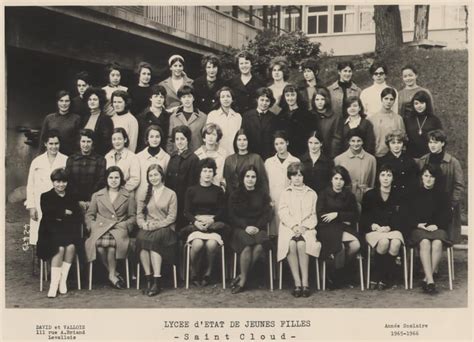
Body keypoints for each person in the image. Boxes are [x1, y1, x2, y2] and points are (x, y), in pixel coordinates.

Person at [85, 166, 136, 289]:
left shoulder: (128, 195)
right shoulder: (97, 195)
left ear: (121, 179)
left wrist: (125, 225)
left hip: (119, 228)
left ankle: (112, 275)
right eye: (111, 177)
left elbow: (132, 217)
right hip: (100, 228)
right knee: (100, 247)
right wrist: (93, 226)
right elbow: (90, 215)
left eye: (117, 177)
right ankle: (112, 273)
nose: (114, 180)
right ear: (106, 179)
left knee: (112, 246)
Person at [181, 158, 229, 287]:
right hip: (196, 225)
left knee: (212, 245)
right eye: (204, 171)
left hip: (213, 225)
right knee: (197, 245)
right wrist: (195, 222)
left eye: (210, 171)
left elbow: (223, 211)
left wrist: (212, 219)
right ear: (200, 173)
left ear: (214, 173)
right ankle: (194, 271)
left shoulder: (218, 191)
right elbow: (186, 211)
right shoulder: (191, 190)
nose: (207, 174)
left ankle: (208, 272)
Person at [36, 168, 82, 297]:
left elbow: (76, 216)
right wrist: (64, 212)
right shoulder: (46, 196)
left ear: (67, 182)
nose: (61, 185)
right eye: (57, 182)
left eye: (64, 182)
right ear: (53, 182)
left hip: (68, 231)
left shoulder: (71, 196)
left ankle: (63, 281)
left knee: (71, 247)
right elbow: (48, 215)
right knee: (59, 248)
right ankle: (53, 285)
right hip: (49, 232)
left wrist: (58, 214)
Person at [407, 164, 451, 294]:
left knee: (437, 243)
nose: (428, 179)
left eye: (432, 176)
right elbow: (406, 214)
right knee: (425, 242)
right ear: (422, 177)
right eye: (426, 175)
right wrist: (417, 224)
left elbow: (448, 215)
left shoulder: (443, 195)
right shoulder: (414, 193)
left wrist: (436, 225)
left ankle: (427, 278)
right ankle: (431, 281)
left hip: (437, 228)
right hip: (419, 229)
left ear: (436, 178)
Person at [277, 162, 319, 298]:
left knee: (302, 244)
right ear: (290, 177)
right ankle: (297, 283)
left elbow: (314, 215)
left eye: (300, 175)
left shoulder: (312, 193)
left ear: (304, 177)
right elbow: (282, 212)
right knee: (290, 244)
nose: (297, 178)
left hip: (306, 228)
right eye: (294, 175)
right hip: (288, 227)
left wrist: (304, 227)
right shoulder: (285, 193)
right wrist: (294, 226)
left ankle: (305, 283)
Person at [360, 165, 405, 289]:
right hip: (374, 230)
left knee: (395, 243)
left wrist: (390, 227)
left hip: (392, 230)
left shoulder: (399, 195)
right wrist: (374, 226)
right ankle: (377, 274)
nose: (386, 178)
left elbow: (401, 217)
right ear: (378, 177)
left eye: (389, 175)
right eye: (383, 175)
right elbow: (364, 217)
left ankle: (384, 275)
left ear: (393, 178)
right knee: (384, 242)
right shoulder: (370, 194)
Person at [228, 165, 272, 294]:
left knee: (259, 246)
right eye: (247, 176)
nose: (250, 179)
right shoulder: (235, 195)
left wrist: (257, 227)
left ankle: (242, 276)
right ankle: (242, 283)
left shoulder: (263, 194)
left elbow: (267, 214)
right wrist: (245, 227)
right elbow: (232, 215)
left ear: (257, 179)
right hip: (240, 228)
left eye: (253, 177)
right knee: (247, 246)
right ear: (242, 178)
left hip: (258, 228)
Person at [136, 164, 178, 296]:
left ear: (161, 176)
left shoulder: (171, 193)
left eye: (156, 175)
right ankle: (148, 279)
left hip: (165, 228)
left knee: (154, 242)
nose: (153, 178)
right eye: (150, 175)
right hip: (148, 226)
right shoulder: (145, 193)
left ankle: (157, 281)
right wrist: (143, 224)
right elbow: (139, 215)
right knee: (141, 240)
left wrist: (157, 225)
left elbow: (172, 217)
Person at [417, 129, 464, 243]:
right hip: (426, 205)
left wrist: (451, 203)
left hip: (444, 205)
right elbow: (419, 182)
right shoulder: (423, 160)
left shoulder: (452, 162)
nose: (432, 145)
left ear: (442, 143)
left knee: (443, 237)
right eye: (430, 142)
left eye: (436, 142)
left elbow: (459, 185)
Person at [316, 166, 360, 288]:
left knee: (356, 245)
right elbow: (320, 215)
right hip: (326, 228)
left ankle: (339, 270)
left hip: (343, 226)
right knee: (339, 247)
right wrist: (342, 218)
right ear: (331, 180)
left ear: (345, 181)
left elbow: (355, 215)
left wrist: (337, 215)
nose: (338, 182)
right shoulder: (324, 194)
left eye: (341, 179)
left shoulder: (349, 195)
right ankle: (336, 276)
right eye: (336, 178)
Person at [25, 130, 68, 246]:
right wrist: (31, 206)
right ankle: (41, 262)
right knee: (40, 235)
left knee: (58, 237)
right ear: (45, 144)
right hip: (40, 203)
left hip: (58, 202)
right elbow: (30, 185)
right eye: (51, 144)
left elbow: (69, 184)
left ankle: (56, 261)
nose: (54, 147)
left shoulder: (66, 160)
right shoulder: (37, 161)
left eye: (56, 143)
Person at [265, 131, 300, 237]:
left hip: (290, 200)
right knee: (273, 231)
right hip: (273, 199)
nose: (279, 147)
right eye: (276, 144)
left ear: (287, 143)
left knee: (288, 230)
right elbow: (265, 183)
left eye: (282, 143)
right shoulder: (269, 162)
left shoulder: (295, 161)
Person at [165, 125, 200, 231]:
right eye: (177, 139)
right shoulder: (173, 157)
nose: (179, 142)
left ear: (187, 140)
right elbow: (168, 181)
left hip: (185, 201)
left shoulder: (193, 159)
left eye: (182, 139)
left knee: (182, 228)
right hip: (172, 200)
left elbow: (193, 184)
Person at [65, 129, 106, 210]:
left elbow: (101, 181)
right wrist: (78, 200)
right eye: (83, 141)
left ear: (93, 142)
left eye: (89, 141)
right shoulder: (71, 159)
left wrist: (91, 200)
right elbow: (69, 180)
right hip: (74, 201)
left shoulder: (100, 160)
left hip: (94, 201)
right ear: (79, 142)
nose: (86, 144)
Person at [335, 128, 376, 203]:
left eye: (359, 141)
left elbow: (372, 182)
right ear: (348, 142)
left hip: (365, 197)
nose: (356, 144)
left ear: (363, 141)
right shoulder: (339, 159)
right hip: (345, 198)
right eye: (353, 141)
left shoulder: (371, 159)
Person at [223, 128, 268, 195]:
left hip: (253, 196)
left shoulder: (256, 158)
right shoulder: (229, 160)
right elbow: (228, 182)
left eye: (245, 140)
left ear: (248, 141)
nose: (242, 142)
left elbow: (263, 181)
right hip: (235, 197)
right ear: (235, 141)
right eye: (239, 140)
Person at [377, 129, 419, 201]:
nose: (396, 146)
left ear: (403, 144)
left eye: (399, 142)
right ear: (388, 144)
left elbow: (415, 182)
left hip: (406, 198)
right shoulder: (382, 161)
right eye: (393, 143)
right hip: (389, 198)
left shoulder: (410, 161)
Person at [275, 83, 314, 157]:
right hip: (285, 153)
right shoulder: (280, 115)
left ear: (297, 96)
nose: (290, 98)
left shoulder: (306, 114)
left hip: (302, 152)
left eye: (292, 95)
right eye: (287, 95)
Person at [167, 84, 207, 154]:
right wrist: (172, 154)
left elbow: (206, 138)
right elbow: (170, 138)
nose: (187, 99)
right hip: (178, 155)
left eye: (189, 96)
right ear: (180, 99)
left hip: (197, 155)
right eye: (184, 97)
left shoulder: (203, 117)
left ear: (193, 98)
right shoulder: (173, 117)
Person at [39, 90, 81, 156]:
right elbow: (42, 140)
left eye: (67, 101)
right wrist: (40, 156)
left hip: (69, 156)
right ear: (57, 102)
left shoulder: (76, 118)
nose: (64, 104)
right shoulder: (49, 118)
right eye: (61, 101)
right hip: (52, 156)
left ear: (70, 102)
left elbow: (78, 141)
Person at [241, 87, 278, 160]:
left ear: (270, 102)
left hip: (268, 156)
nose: (264, 103)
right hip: (250, 155)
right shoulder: (247, 116)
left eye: (267, 101)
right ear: (257, 100)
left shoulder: (274, 118)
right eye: (262, 100)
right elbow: (243, 136)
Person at [367, 87, 405, 158]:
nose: (388, 101)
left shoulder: (398, 119)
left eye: (391, 99)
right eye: (386, 98)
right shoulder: (372, 119)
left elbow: (402, 138)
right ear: (381, 99)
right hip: (377, 155)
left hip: (393, 156)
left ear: (394, 101)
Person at [404, 90, 443, 158]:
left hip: (429, 157)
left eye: (422, 103)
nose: (419, 106)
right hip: (411, 157)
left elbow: (441, 140)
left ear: (427, 103)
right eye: (416, 103)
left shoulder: (434, 120)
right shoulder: (407, 120)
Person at [206, 86, 242, 157]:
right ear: (219, 99)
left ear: (232, 99)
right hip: (217, 154)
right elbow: (208, 135)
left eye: (228, 96)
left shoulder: (237, 117)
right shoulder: (212, 115)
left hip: (233, 154)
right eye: (222, 97)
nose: (226, 99)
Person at [136, 125, 170, 198]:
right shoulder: (138, 157)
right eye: (151, 137)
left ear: (161, 138)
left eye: (157, 137)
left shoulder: (167, 158)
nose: (154, 140)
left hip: (160, 197)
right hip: (141, 196)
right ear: (147, 138)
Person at [136, 84, 171, 152]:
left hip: (163, 153)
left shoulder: (168, 117)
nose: (159, 99)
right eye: (156, 96)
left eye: (161, 97)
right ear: (150, 98)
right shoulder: (141, 117)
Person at [104, 128, 140, 192]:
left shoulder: (132, 157)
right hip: (110, 192)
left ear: (125, 140)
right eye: (114, 139)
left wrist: (122, 191)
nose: (117, 142)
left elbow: (135, 179)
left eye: (119, 139)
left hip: (126, 193)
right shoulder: (108, 156)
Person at [311, 87, 343, 158]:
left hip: (328, 156)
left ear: (327, 100)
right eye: (317, 99)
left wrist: (331, 157)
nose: (320, 102)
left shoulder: (335, 117)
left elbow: (336, 140)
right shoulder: (309, 115)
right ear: (313, 101)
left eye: (322, 99)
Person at [82, 87, 114, 156]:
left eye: (95, 99)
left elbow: (107, 142)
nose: (92, 102)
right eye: (90, 99)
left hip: (98, 156)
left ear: (100, 101)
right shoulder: (85, 118)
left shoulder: (105, 119)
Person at [299, 130, 334, 194]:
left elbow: (330, 182)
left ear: (321, 143)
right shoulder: (301, 160)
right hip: (304, 196)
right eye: (310, 143)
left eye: (316, 143)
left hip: (322, 197)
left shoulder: (328, 162)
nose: (313, 146)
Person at [194, 123, 227, 188]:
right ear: (204, 138)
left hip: (218, 189)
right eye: (208, 134)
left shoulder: (223, 153)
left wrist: (223, 185)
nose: (210, 137)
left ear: (218, 137)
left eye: (214, 134)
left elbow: (225, 175)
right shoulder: (197, 154)